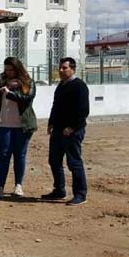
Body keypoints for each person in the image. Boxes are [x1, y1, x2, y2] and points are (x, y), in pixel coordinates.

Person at [42, 57, 90, 205]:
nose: (61, 70)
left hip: (72, 132)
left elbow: (83, 111)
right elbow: (55, 106)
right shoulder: (61, 86)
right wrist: (51, 123)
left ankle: (80, 194)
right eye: (60, 68)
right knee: (54, 161)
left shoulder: (79, 86)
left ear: (72, 69)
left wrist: (72, 127)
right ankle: (59, 190)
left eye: (64, 68)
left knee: (74, 162)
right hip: (58, 130)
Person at [0, 57, 37, 198]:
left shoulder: (28, 82)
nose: (8, 72)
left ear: (17, 69)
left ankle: (18, 186)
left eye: (11, 69)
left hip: (23, 125)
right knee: (4, 155)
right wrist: (1, 89)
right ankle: (0, 187)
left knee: (20, 155)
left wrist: (10, 93)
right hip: (3, 124)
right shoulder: (3, 82)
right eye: (6, 70)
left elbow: (27, 99)